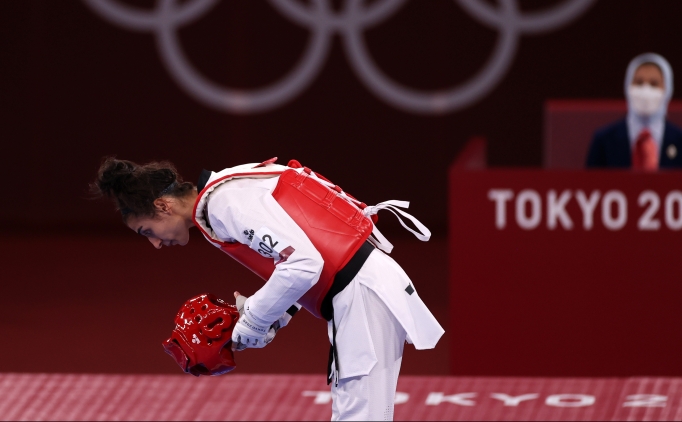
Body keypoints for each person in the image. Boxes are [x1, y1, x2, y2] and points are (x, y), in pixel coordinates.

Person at [91, 157, 444, 421]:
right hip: (359, 291)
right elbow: (298, 259)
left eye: (147, 231)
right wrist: (273, 316)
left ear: (162, 206)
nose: (154, 244)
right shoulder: (224, 193)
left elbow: (304, 264)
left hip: (362, 294)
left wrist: (254, 322)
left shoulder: (225, 203)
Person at [586, 53, 682, 170]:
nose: (646, 90)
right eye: (639, 82)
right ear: (627, 86)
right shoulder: (604, 140)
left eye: (654, 83)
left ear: (667, 89)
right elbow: (590, 184)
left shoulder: (679, 140)